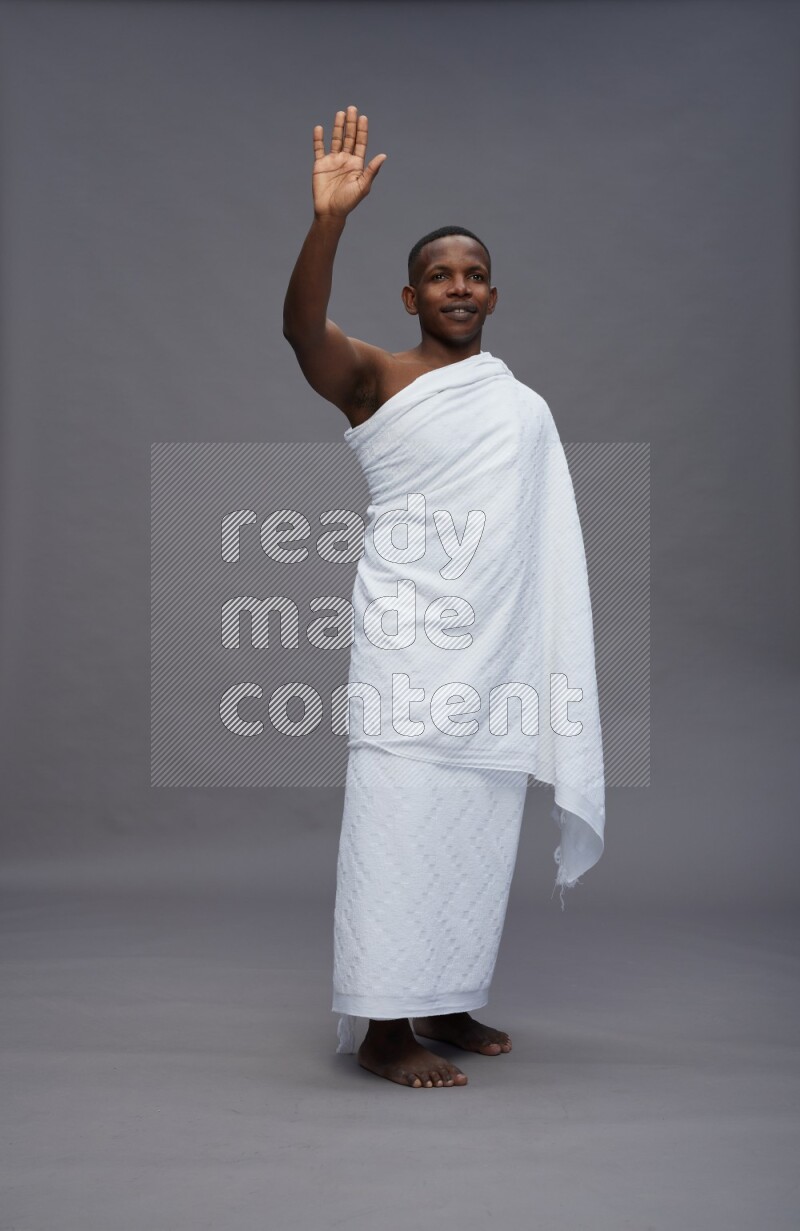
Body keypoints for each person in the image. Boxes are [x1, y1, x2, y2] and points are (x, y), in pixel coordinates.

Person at [283, 105, 605, 1089]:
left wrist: (523, 646)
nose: (455, 287)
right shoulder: (377, 379)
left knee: (473, 823)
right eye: (438, 275)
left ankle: (446, 995)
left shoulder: (518, 402)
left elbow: (534, 543)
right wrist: (328, 221)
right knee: (396, 821)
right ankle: (384, 1026)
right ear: (410, 293)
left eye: (471, 275)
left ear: (492, 296)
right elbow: (299, 332)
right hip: (409, 641)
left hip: (494, 650)